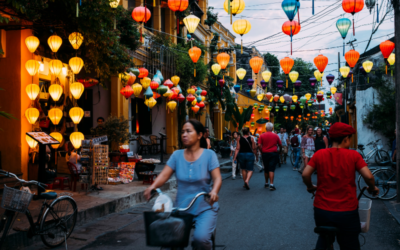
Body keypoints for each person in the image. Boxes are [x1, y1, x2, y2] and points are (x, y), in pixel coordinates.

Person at [144, 119, 222, 250]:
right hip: (180, 209)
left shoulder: (209, 155)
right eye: (182, 132)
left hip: (204, 207)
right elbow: (164, 175)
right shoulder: (177, 155)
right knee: (170, 242)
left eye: (188, 131)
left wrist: (214, 191)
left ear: (199, 135)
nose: (184, 135)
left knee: (201, 240)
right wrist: (153, 186)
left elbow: (218, 178)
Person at [302, 122, 379, 250]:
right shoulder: (354, 155)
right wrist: (372, 188)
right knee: (349, 243)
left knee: (324, 238)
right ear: (346, 139)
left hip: (322, 210)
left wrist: (310, 186)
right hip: (347, 211)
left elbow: (305, 175)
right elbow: (369, 177)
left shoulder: (319, 154)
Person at [258, 122, 282, 191]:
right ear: (272, 128)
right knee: (271, 169)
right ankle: (271, 184)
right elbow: (280, 144)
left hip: (265, 153)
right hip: (273, 153)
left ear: (266, 128)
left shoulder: (262, 135)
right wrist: (279, 150)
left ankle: (266, 183)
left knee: (266, 168)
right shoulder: (276, 135)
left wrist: (261, 151)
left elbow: (259, 145)